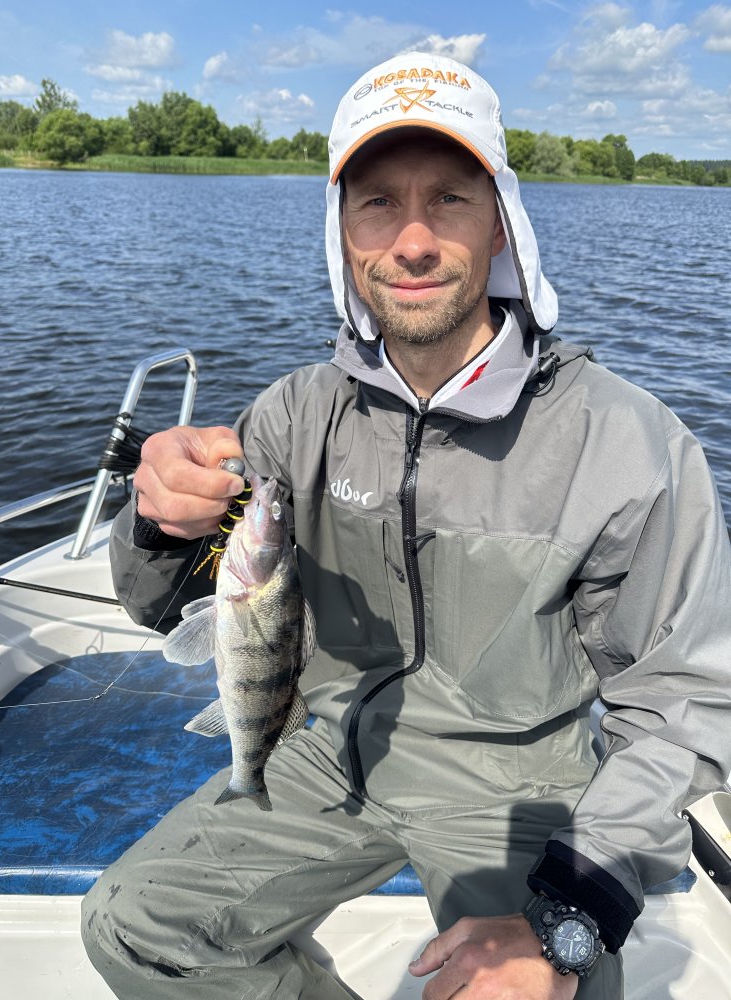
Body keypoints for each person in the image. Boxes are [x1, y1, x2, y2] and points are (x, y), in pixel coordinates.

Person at [82, 51, 731, 1000]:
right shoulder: (293, 415)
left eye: (449, 199)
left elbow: (684, 703)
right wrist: (158, 525)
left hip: (525, 786)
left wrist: (568, 916)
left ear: (500, 220)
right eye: (378, 202)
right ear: (342, 230)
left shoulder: (627, 441)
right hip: (324, 746)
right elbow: (168, 606)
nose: (413, 241)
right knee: (134, 927)